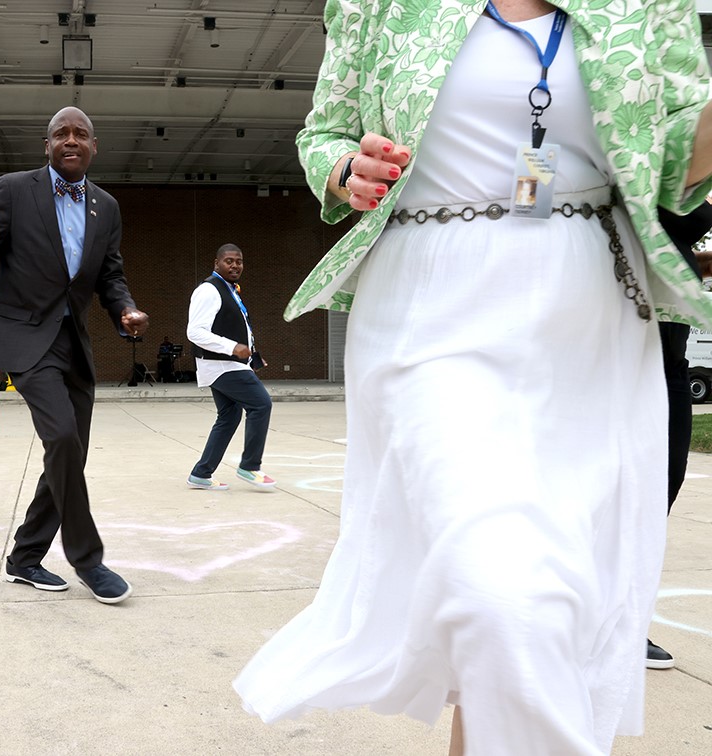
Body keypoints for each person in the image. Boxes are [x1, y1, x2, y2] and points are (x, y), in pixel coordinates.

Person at [233, 2, 712, 755]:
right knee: (503, 595)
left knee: (550, 609)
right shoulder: (383, 4)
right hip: (432, 307)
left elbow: (674, 167)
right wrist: (342, 168)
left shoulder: (648, 7)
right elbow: (323, 132)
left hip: (592, 327)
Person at [0, 106, 149, 605]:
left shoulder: (105, 206)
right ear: (46, 146)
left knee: (68, 453)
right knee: (63, 437)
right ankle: (87, 559)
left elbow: (110, 275)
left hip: (74, 341)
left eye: (81, 133)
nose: (71, 140)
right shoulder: (13, 188)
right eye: (60, 134)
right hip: (24, 336)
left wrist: (125, 309)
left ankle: (25, 558)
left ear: (94, 146)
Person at [647, 199, 712, 669]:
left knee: (661, 486)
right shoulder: (641, 151)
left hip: (671, 345)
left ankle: (620, 618)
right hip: (628, 336)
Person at [185, 244, 275, 491]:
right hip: (222, 365)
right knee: (261, 404)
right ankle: (250, 466)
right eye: (229, 261)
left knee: (229, 416)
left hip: (228, 364)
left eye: (239, 261)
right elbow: (195, 332)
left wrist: (252, 356)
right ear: (217, 263)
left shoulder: (230, 290)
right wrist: (233, 347)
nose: (235, 265)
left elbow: (238, 328)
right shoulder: (208, 290)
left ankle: (201, 474)